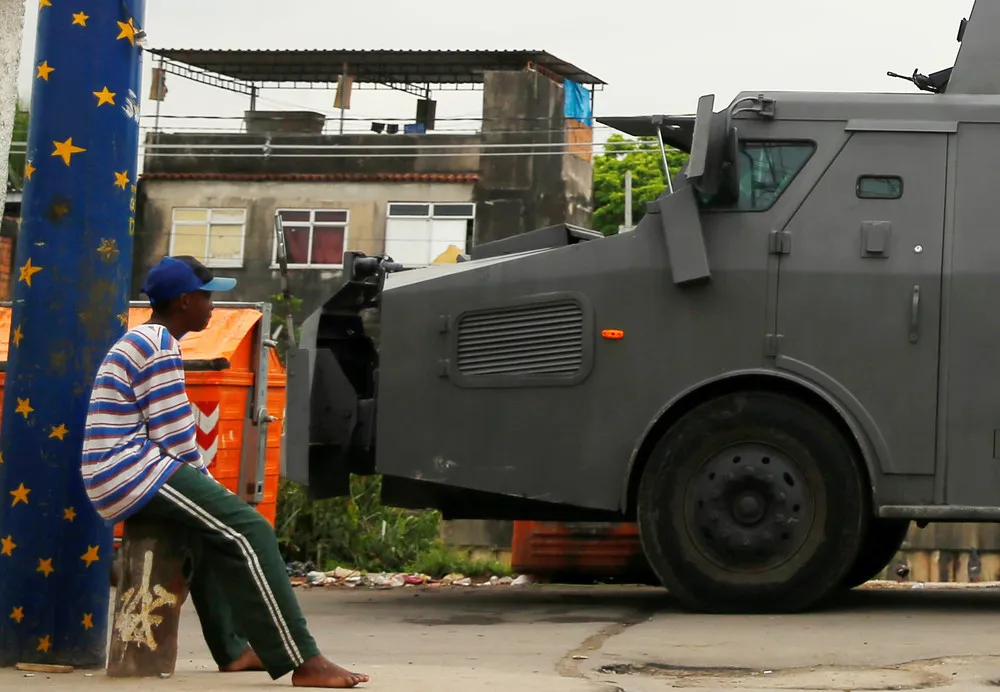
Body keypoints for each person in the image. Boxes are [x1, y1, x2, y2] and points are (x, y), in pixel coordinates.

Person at [81, 255, 369, 689]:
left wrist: (209, 493)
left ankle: (234, 650)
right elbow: (175, 436)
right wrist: (214, 489)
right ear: (184, 301)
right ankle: (303, 659)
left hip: (122, 470)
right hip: (132, 469)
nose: (213, 305)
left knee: (210, 530)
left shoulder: (145, 338)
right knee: (250, 529)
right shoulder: (157, 344)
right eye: (207, 296)